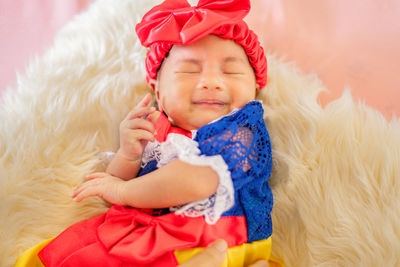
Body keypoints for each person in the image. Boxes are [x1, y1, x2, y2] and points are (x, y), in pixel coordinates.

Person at [38, 0, 275, 266]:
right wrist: (129, 155)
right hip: (150, 236)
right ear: (158, 92)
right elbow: (113, 186)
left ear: (255, 88)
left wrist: (123, 191)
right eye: (189, 70)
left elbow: (197, 181)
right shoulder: (157, 130)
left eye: (231, 71)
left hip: (215, 236)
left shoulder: (242, 129)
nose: (211, 82)